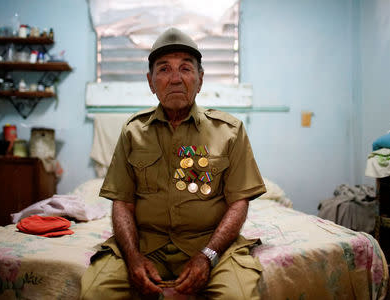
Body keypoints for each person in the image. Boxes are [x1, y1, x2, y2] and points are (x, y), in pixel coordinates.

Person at [80, 27, 267, 300]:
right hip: (144, 244)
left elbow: (239, 202)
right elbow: (122, 202)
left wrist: (207, 256)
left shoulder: (230, 130)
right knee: (96, 294)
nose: (176, 79)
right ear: (150, 81)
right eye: (165, 69)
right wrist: (132, 257)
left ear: (200, 80)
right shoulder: (132, 131)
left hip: (209, 244)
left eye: (186, 69)